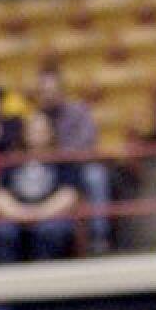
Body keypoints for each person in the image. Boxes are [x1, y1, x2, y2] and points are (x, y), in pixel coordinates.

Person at [34, 66, 110, 253]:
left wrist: (57, 153)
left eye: (52, 91)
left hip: (77, 165)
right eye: (44, 92)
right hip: (49, 167)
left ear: (62, 91)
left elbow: (86, 143)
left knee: (96, 176)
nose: (48, 96)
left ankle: (99, 236)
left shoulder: (79, 111)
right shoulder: (36, 116)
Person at [0, 111, 80, 262]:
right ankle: (7, 279)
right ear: (24, 133)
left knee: (52, 230)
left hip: (51, 214)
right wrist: (20, 214)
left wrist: (39, 213)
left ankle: (45, 278)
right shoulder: (11, 159)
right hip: (15, 214)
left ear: (51, 133)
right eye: (32, 130)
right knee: (1, 231)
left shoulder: (63, 160)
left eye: (42, 131)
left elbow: (69, 195)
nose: (37, 134)